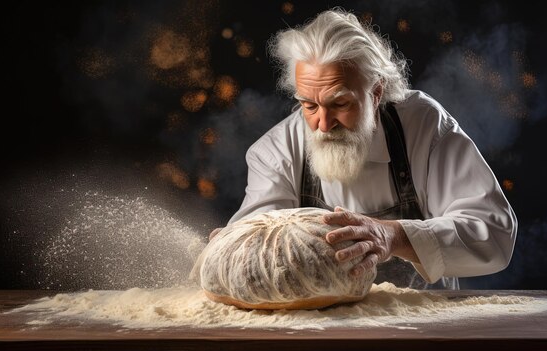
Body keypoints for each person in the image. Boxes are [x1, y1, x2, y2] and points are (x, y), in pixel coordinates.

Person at [210, 9, 517, 289]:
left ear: (376, 93)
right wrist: (235, 249)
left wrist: (393, 235)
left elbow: (493, 233)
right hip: (319, 332)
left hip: (424, 327)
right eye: (309, 105)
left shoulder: (424, 126)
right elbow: (256, 250)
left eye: (340, 103)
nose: (324, 123)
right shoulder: (277, 151)